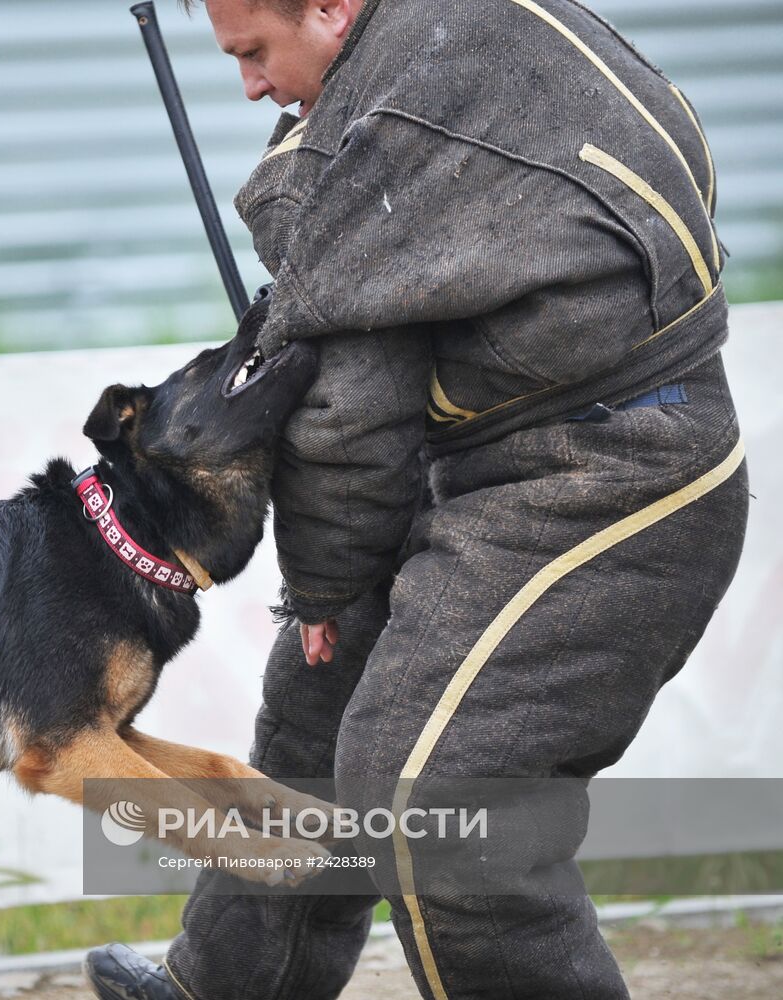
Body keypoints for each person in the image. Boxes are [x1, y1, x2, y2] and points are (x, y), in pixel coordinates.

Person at [85, 0, 750, 997]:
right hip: (516, 448)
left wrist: (320, 590)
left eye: (255, 53)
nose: (252, 86)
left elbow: (348, 414)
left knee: (431, 794)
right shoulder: (485, 29)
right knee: (316, 715)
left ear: (329, 7)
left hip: (615, 477)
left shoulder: (384, 135)